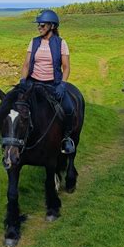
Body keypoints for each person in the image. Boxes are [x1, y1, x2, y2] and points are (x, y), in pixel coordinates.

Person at [20, 9, 75, 154]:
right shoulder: (34, 42)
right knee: (16, 107)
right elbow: (26, 64)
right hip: (33, 83)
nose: (39, 27)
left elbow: (66, 67)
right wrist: (22, 80)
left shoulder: (61, 43)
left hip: (53, 84)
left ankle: (66, 138)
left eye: (42, 25)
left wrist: (62, 84)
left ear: (52, 26)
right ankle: (17, 141)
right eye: (38, 25)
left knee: (69, 108)